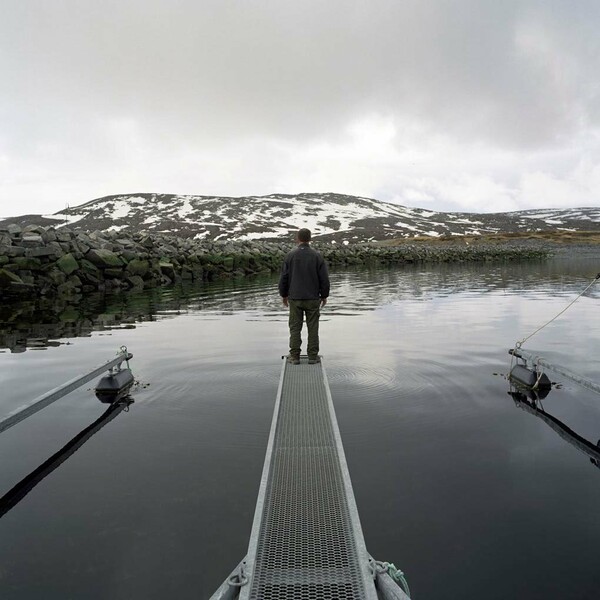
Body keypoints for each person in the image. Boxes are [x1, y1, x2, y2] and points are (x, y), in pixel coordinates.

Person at [278, 228, 330, 364]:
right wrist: (324, 296)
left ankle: (294, 356)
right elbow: (324, 278)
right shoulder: (317, 256)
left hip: (295, 298)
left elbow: (284, 277)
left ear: (298, 238)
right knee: (313, 328)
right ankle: (313, 356)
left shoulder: (290, 255)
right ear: (310, 239)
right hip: (313, 298)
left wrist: (283, 295)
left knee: (295, 328)